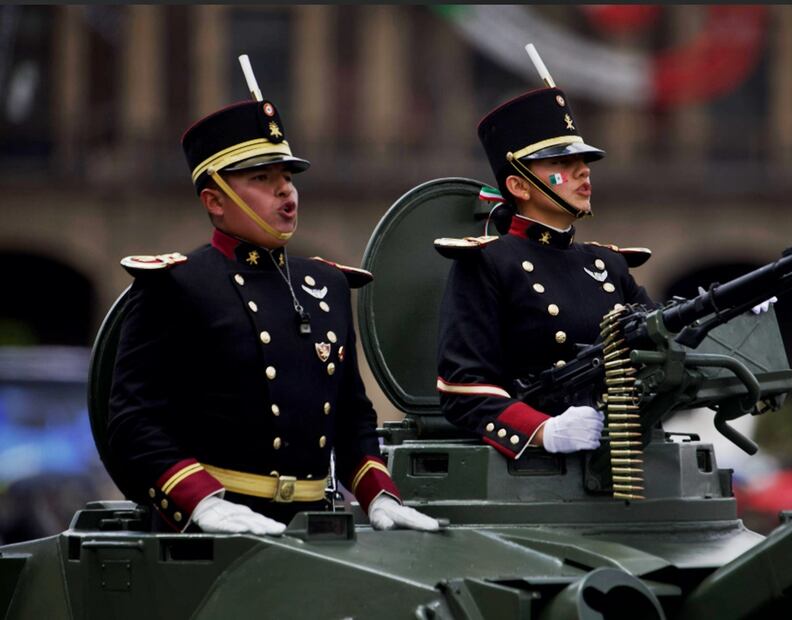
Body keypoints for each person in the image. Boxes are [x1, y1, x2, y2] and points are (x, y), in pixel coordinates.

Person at [107, 91, 437, 535]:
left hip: (318, 525)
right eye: (262, 178)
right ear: (215, 201)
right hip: (216, 526)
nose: (285, 189)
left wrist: (378, 492)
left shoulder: (328, 285)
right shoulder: (177, 284)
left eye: (287, 176)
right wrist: (200, 502)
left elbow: (352, 417)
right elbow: (133, 421)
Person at [434, 85, 656, 460]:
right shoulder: (489, 263)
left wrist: (729, 310)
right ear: (519, 185)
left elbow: (662, 338)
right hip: (537, 469)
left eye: (582, 162)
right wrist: (540, 430)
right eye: (560, 164)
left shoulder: (608, 265)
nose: (582, 171)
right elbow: (462, 388)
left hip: (620, 455)